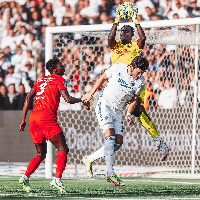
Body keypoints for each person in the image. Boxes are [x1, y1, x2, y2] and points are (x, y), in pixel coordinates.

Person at [83, 5, 169, 179]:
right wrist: (116, 20)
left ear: (132, 35)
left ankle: (157, 140)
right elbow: (109, 38)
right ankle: (157, 140)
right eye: (122, 31)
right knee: (120, 132)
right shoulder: (115, 47)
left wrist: (135, 19)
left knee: (138, 110)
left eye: (127, 32)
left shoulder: (135, 48)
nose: (123, 33)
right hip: (117, 83)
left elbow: (143, 37)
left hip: (133, 82)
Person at [19, 57, 89, 193]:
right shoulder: (58, 79)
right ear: (55, 69)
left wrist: (23, 119)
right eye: (61, 65)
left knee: (41, 153)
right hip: (46, 117)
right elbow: (67, 99)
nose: (63, 67)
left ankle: (25, 177)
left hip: (33, 117)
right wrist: (82, 99)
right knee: (63, 148)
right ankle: (57, 179)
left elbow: (28, 98)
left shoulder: (40, 80)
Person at [82, 56, 149, 186]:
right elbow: (102, 78)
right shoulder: (118, 67)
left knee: (118, 144)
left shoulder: (140, 81)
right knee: (110, 138)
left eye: (142, 73)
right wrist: (91, 94)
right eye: (138, 72)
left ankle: (89, 159)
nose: (139, 75)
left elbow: (135, 99)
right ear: (132, 67)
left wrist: (129, 113)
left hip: (118, 111)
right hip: (105, 105)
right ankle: (110, 173)